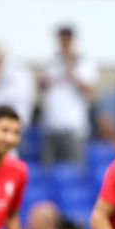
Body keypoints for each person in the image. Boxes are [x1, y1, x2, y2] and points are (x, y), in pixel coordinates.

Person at [40, 25, 98, 164]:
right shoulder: (51, 61)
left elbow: (87, 90)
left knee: (73, 171)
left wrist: (72, 69)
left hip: (73, 127)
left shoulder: (84, 62)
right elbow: (42, 85)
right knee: (48, 171)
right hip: (51, 125)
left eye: (66, 39)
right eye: (61, 40)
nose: (63, 43)